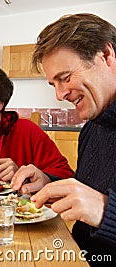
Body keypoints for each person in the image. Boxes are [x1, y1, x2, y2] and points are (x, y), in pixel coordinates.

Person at [11, 13, 116, 263]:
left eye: (65, 78)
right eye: (53, 84)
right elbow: (89, 191)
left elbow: (98, 203)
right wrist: (48, 182)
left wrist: (106, 211)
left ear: (106, 55)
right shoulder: (93, 127)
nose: (60, 94)